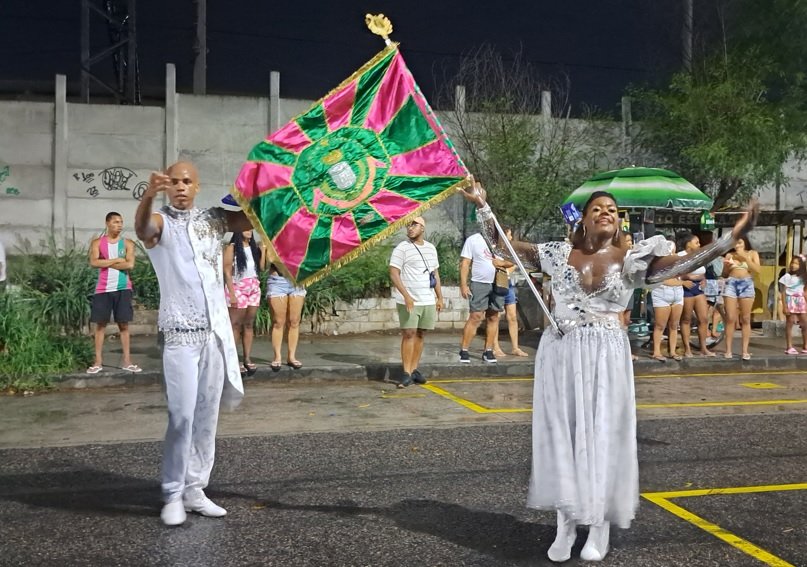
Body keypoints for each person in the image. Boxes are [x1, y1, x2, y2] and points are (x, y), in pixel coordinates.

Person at [461, 179, 758, 562]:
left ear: (618, 224)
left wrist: (733, 235)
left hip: (606, 354)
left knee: (601, 435)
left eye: (612, 211)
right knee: (563, 436)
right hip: (561, 352)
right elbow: (503, 246)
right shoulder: (555, 253)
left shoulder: (632, 260)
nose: (606, 213)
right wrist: (482, 206)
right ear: (583, 219)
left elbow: (689, 262)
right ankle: (565, 524)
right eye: (597, 208)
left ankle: (598, 525)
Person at [135, 161, 251, 526]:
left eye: (187, 182)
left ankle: (195, 489)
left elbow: (250, 221)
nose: (181, 187)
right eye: (175, 182)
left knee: (206, 418)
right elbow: (142, 228)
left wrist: (281, 189)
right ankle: (172, 493)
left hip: (214, 336)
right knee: (181, 416)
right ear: (167, 187)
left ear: (197, 186)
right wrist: (148, 195)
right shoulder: (161, 223)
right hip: (180, 337)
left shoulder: (213, 220)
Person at [389, 215, 443, 388]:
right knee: (409, 333)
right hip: (409, 299)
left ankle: (414, 370)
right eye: (408, 225)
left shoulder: (431, 249)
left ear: (422, 228)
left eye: (414, 225)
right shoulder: (402, 248)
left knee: (420, 333)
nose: (410, 228)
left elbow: (435, 274)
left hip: (427, 299)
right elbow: (394, 273)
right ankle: (405, 372)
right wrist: (406, 295)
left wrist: (439, 297)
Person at [86, 212, 139, 374]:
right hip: (103, 289)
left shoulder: (128, 243)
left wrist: (106, 263)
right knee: (100, 325)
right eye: (116, 222)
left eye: (121, 222)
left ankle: (127, 361)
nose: (119, 225)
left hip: (123, 288)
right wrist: (117, 260)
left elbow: (129, 265)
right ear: (107, 223)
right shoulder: (97, 243)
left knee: (123, 325)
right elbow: (94, 262)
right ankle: (98, 362)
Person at [223, 230, 265, 376]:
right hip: (237, 287)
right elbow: (227, 271)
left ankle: (247, 358)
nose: (249, 231)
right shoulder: (232, 248)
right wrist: (232, 293)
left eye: (251, 229)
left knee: (248, 324)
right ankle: (233, 359)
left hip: (253, 287)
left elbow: (261, 268)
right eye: (245, 228)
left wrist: (263, 251)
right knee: (235, 325)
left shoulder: (254, 248)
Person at [458, 232, 505, 363]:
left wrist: (504, 265)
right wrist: (463, 285)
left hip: (499, 282)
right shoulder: (473, 239)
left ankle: (488, 350)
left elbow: (512, 261)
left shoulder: (503, 239)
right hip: (479, 283)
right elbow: (465, 263)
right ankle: (464, 350)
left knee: (494, 316)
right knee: (475, 316)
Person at [677, 231, 716, 358]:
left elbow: (702, 272)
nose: (699, 245)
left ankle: (703, 348)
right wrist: (687, 277)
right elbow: (679, 274)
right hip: (686, 289)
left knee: (703, 318)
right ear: (688, 244)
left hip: (698, 288)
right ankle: (687, 349)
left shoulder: (699, 256)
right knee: (686, 319)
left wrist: (702, 278)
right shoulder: (680, 256)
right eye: (696, 242)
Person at [491, 227, 528, 358]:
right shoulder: (494, 249)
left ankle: (515, 347)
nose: (511, 238)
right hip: (496, 283)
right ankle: (495, 347)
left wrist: (504, 267)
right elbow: (493, 263)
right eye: (509, 235)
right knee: (495, 316)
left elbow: (515, 264)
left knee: (512, 316)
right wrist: (503, 264)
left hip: (508, 284)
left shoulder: (511, 250)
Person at [722, 236, 760, 360]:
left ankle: (745, 350)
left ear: (745, 243)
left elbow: (757, 269)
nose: (736, 245)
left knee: (745, 318)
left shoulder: (752, 253)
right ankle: (728, 350)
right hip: (731, 283)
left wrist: (745, 259)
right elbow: (724, 274)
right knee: (730, 318)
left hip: (746, 283)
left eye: (739, 242)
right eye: (734, 243)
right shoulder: (729, 255)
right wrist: (727, 266)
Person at [266, 264, 306, 371]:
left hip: (297, 278)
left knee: (294, 321)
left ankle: (291, 356)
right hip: (277, 280)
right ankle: (277, 357)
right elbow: (263, 264)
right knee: (278, 322)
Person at [649, 242, 684, 362]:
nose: (672, 253)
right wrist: (683, 283)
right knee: (660, 325)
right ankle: (656, 352)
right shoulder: (657, 263)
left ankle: (672, 351)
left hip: (677, 294)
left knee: (674, 325)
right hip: (662, 294)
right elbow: (663, 280)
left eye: (673, 250)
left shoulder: (678, 261)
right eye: (670, 251)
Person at [779, 255, 807, 354]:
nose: (793, 265)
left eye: (796, 263)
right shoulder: (787, 276)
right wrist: (785, 305)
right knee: (789, 324)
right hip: (790, 300)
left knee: (805, 324)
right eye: (792, 263)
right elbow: (783, 291)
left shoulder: (804, 277)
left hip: (801, 301)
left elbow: (805, 291)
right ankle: (789, 347)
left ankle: (805, 346)